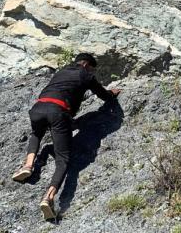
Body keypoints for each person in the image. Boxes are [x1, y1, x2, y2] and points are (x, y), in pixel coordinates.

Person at [11, 53, 120, 220]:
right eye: (92, 68)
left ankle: (27, 165)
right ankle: (48, 198)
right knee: (63, 159)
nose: (92, 72)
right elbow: (102, 94)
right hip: (57, 112)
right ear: (86, 65)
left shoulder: (61, 72)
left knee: (37, 133)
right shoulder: (85, 74)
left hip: (38, 108)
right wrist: (111, 94)